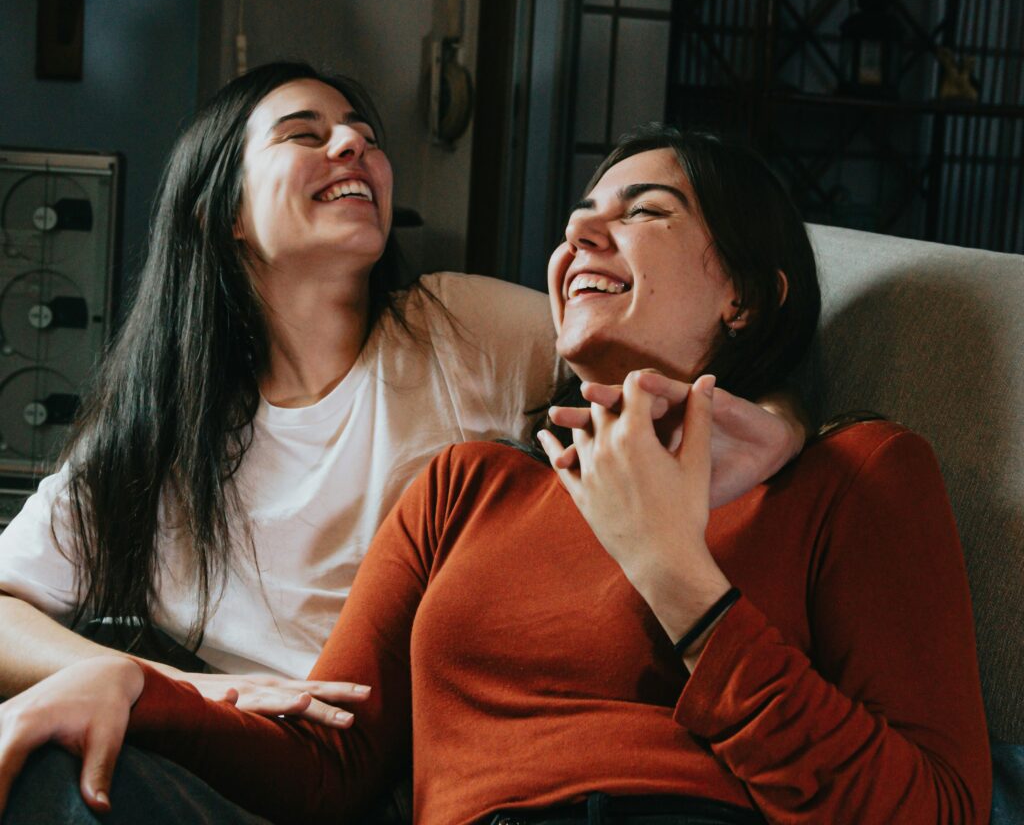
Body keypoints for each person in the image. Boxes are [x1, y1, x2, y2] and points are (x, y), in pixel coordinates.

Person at [0, 127, 991, 824]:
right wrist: (128, 683)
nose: (580, 237)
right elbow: (333, 762)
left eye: (643, 211)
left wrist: (678, 577)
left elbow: (938, 808)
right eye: (577, 217)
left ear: (745, 294)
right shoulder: (467, 489)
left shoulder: (854, 474)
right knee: (53, 771)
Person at [0, 66, 801, 726]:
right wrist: (169, 686)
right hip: (243, 756)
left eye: (365, 137)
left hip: (430, 761)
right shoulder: (162, 434)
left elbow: (672, 360)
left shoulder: (457, 327)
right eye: (305, 134)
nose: (353, 143)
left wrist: (786, 426)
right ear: (225, 215)